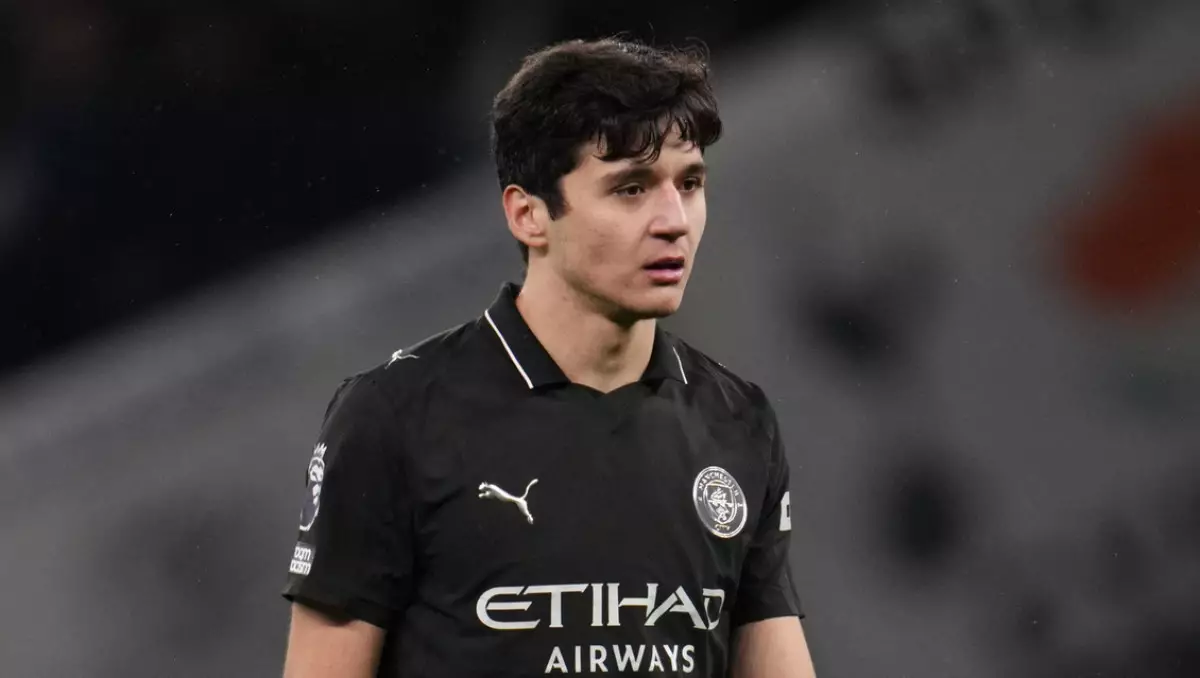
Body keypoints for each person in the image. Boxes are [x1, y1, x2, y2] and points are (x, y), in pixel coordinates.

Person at [280, 37, 818, 678]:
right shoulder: (393, 418)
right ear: (528, 214)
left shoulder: (738, 421)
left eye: (690, 183)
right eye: (631, 188)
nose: (674, 220)